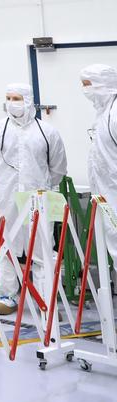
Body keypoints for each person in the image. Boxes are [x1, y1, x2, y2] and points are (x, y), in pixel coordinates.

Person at [0, 84, 66, 315]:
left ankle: (45, 299)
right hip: (6, 196)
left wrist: (40, 184)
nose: (12, 102)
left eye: (17, 98)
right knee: (4, 244)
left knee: (41, 246)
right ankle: (6, 295)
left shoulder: (47, 132)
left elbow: (58, 167)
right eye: (8, 98)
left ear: (28, 100)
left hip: (38, 197)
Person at [83, 64, 117, 263]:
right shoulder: (103, 114)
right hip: (107, 196)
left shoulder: (114, 115)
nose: (85, 90)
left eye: (89, 85)